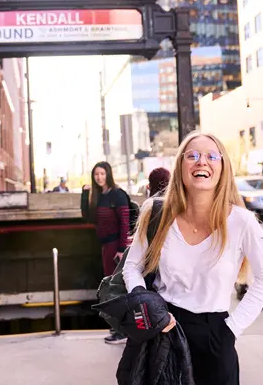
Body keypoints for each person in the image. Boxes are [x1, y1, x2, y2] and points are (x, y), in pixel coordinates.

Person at [122, 132, 263, 385]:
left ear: (223, 167)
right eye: (193, 156)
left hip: (216, 335)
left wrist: (232, 329)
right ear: (180, 166)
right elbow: (131, 267)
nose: (202, 162)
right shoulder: (157, 215)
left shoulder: (242, 223)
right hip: (165, 329)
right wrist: (148, 308)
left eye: (211, 156)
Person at [81, 161, 130, 344]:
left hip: (115, 247)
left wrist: (121, 249)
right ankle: (117, 329)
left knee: (115, 288)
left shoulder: (117, 195)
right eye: (96, 175)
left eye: (102, 174)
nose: (99, 177)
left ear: (108, 174)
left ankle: (122, 331)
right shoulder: (98, 195)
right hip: (105, 247)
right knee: (110, 288)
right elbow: (87, 217)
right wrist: (85, 195)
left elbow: (125, 222)